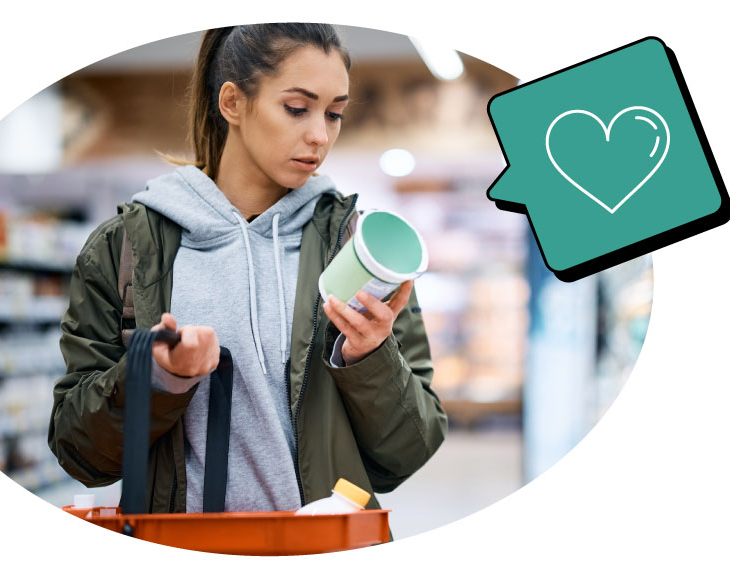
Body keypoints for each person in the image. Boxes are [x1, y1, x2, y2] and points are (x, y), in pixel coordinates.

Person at [48, 23, 447, 517]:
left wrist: (370, 358)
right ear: (232, 103)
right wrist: (158, 378)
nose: (320, 135)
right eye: (297, 109)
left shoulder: (355, 248)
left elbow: (409, 451)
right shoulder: (124, 249)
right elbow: (79, 452)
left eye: (335, 113)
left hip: (321, 552)